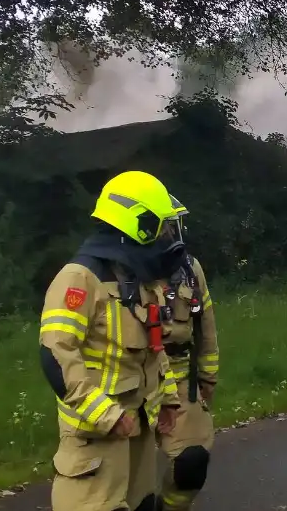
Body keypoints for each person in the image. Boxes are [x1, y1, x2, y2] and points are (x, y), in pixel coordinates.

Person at [39, 170, 185, 511]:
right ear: (138, 224)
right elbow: (55, 354)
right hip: (97, 437)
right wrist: (106, 414)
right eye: (163, 227)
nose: (168, 237)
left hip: (136, 428)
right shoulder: (80, 279)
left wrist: (169, 399)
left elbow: (153, 347)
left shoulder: (137, 280)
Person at [155, 195, 220, 510]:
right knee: (121, 484)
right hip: (127, 386)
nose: (171, 233)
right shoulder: (107, 276)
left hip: (181, 379)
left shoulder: (190, 269)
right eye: (164, 226)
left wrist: (208, 375)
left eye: (172, 225)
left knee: (192, 463)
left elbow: (205, 328)